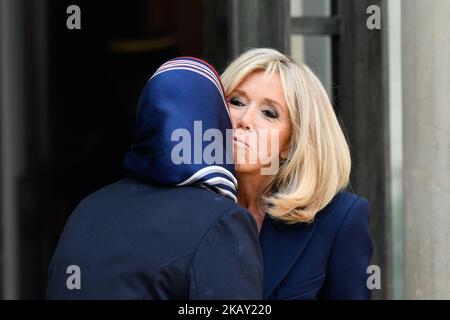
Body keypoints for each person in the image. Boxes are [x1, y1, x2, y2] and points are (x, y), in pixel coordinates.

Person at [46, 57, 263, 299]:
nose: (242, 123)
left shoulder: (87, 208)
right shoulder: (221, 220)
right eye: (232, 105)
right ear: (215, 123)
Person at [221, 48, 374, 300]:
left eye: (269, 113)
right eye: (236, 101)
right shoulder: (187, 207)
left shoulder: (340, 219)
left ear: (292, 144)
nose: (245, 119)